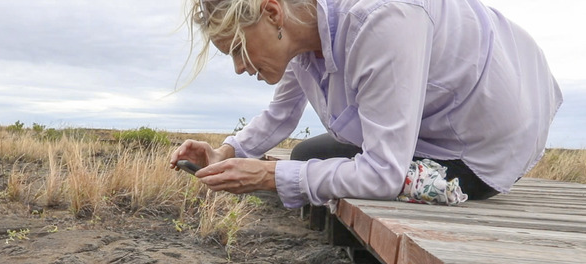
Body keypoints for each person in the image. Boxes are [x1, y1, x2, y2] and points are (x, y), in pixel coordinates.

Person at [169, 0, 562, 208]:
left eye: (239, 48)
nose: (239, 68)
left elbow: (382, 174)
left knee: (314, 169)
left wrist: (266, 177)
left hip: (484, 143)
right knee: (308, 154)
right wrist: (226, 151)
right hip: (433, 125)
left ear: (272, 11)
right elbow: (279, 115)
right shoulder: (302, 34)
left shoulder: (382, 18)